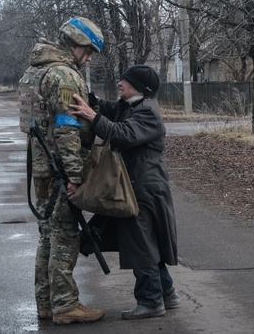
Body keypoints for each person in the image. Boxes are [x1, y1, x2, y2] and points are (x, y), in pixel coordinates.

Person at [69, 65, 180, 320]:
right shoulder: (131, 105)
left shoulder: (148, 112)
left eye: (126, 81)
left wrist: (92, 117)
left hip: (144, 186)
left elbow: (124, 134)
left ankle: (151, 301)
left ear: (139, 88)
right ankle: (167, 293)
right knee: (145, 241)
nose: (120, 83)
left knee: (140, 243)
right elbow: (111, 108)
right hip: (134, 182)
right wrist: (93, 102)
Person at [19, 16, 105, 325]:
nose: (90, 57)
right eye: (88, 50)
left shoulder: (35, 71)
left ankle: (47, 304)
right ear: (75, 45)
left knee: (47, 236)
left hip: (42, 166)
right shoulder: (64, 76)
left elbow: (30, 124)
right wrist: (74, 176)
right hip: (60, 169)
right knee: (65, 236)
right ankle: (66, 304)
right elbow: (67, 129)